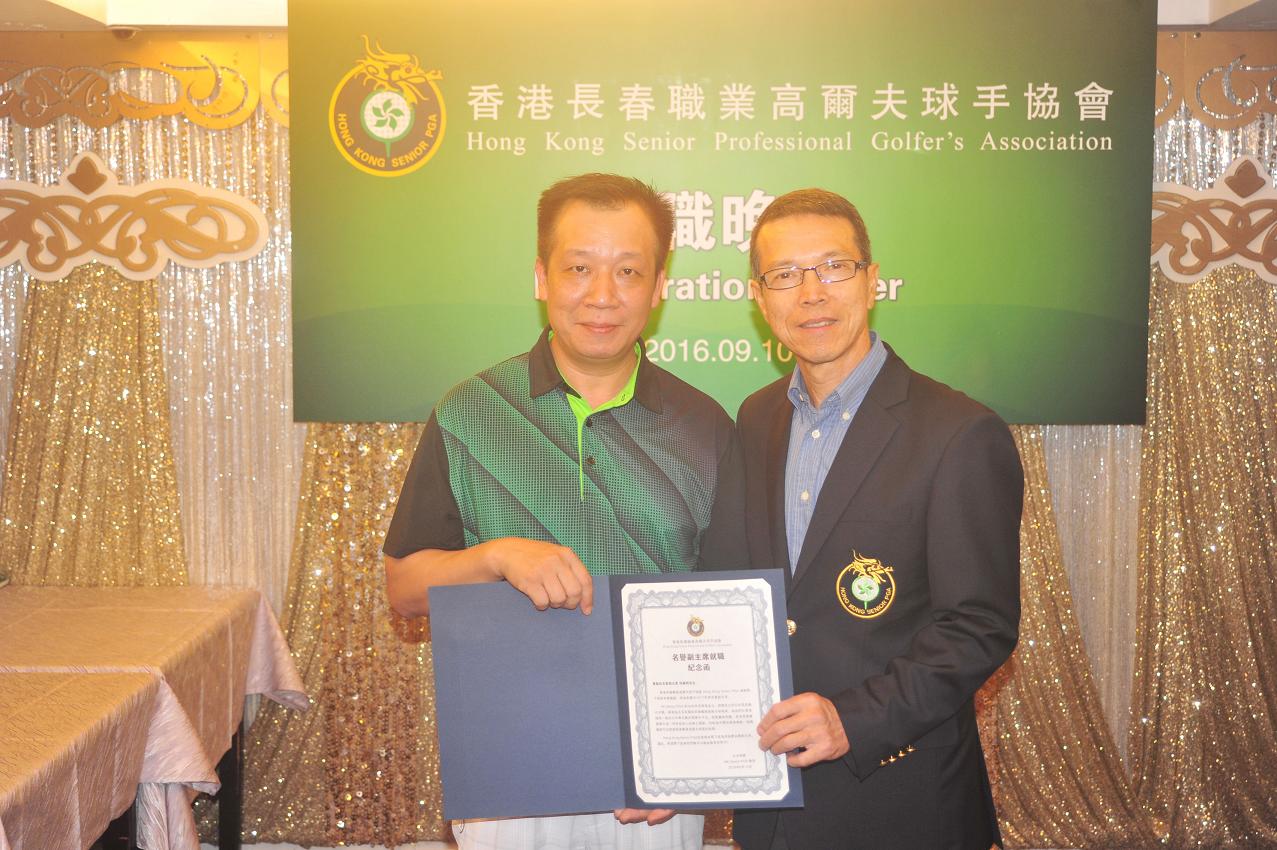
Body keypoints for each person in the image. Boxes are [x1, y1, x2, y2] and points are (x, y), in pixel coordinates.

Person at [382, 172, 742, 850]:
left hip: (653, 780)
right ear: (541, 277)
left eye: (628, 271)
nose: (602, 295)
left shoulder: (706, 428)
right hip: (509, 764)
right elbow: (403, 588)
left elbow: (729, 610)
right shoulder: (470, 413)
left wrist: (696, 759)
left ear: (659, 287)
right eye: (579, 268)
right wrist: (496, 557)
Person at [726, 188, 1023, 850]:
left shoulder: (958, 432)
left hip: (901, 800)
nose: (811, 293)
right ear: (759, 298)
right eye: (785, 275)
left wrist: (853, 720)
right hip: (773, 803)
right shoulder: (755, 418)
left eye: (833, 267)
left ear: (871, 279)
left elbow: (979, 626)